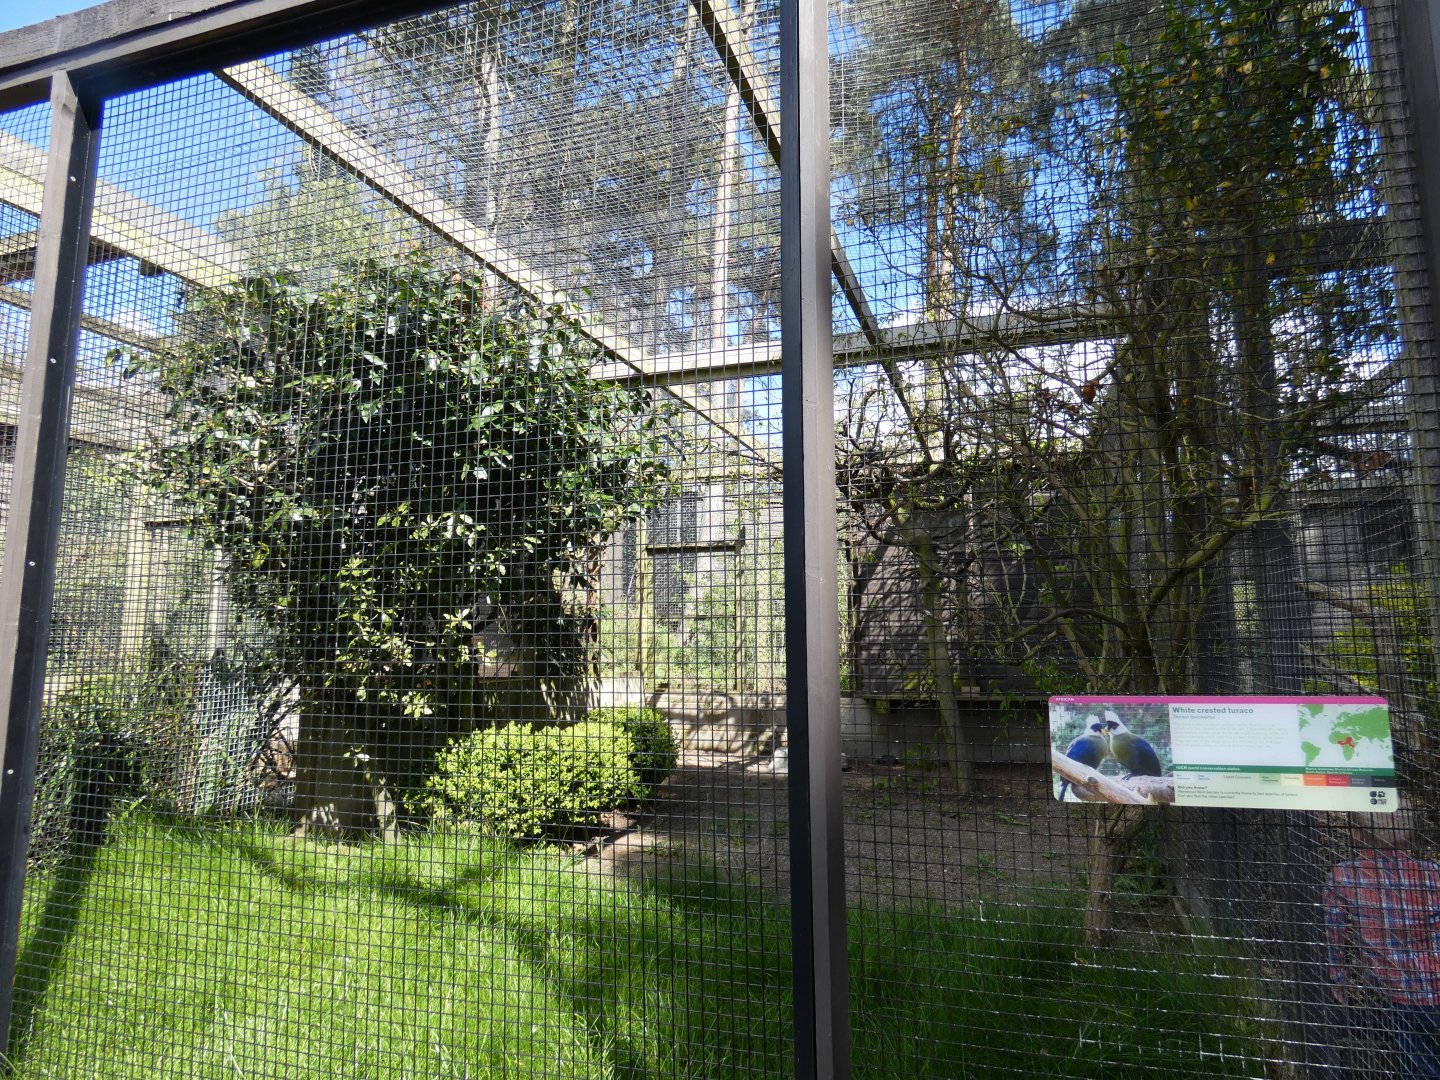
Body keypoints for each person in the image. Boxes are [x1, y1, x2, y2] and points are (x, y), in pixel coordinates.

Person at [1324, 802, 1440, 1078]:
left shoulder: (1344, 877)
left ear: (1356, 832)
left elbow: (1333, 933)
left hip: (1402, 994)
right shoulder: (1433, 873)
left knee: (1421, 1067)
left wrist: (1339, 977)